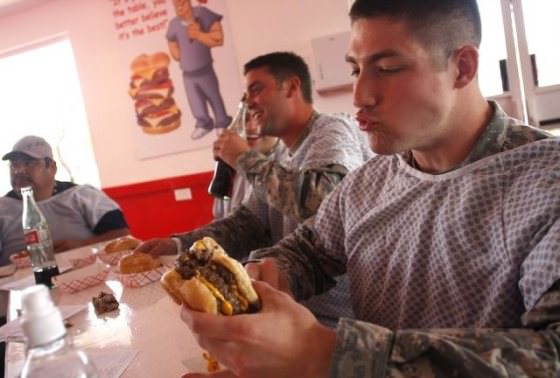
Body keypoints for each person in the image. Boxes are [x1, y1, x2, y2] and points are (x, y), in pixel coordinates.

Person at [179, 0, 560, 377]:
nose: (360, 95)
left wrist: (326, 355)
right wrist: (270, 274)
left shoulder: (544, 180)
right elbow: (310, 250)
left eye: (388, 68)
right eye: (356, 69)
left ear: (462, 68)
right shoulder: (368, 183)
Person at [138, 52, 372, 326]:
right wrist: (178, 244)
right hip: (294, 315)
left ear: (292, 87)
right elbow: (247, 225)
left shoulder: (331, 130)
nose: (248, 102)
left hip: (341, 324)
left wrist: (242, 158)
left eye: (256, 89)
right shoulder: (277, 155)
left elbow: (326, 202)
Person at [0, 136, 129, 265]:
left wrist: (82, 245)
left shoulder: (81, 195)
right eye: (14, 165)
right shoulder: (3, 208)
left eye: (29, 163)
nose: (18, 171)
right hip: (18, 284)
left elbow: (121, 233)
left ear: (52, 167)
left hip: (86, 277)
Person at [167, 0, 232, 140]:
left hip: (205, 69)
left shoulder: (203, 14)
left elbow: (218, 39)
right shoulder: (174, 24)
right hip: (187, 73)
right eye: (176, 6)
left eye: (182, 4)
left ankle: (222, 122)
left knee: (213, 96)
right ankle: (204, 123)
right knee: (195, 101)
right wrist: (177, 53)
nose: (179, 8)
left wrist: (199, 35)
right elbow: (171, 40)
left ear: (189, 2)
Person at [212, 112, 280, 220]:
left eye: (259, 116)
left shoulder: (286, 167)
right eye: (246, 119)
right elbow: (220, 216)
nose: (251, 127)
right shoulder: (234, 165)